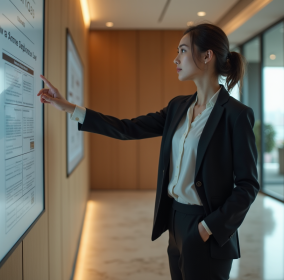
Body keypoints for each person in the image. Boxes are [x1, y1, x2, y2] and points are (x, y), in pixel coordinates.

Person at [38, 23, 260, 280]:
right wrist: (68, 107)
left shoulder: (236, 114)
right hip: (175, 220)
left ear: (207, 56)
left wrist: (206, 228)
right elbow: (127, 128)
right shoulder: (178, 107)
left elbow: (247, 186)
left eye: (183, 50)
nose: (176, 59)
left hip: (206, 225)